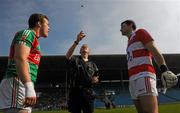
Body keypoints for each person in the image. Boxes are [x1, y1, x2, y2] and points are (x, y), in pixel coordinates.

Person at [120, 20, 178, 113]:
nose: (120, 29)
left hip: (143, 76)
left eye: (123, 26)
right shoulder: (128, 42)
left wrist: (164, 69)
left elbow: (153, 48)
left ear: (131, 25)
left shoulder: (140, 32)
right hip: (132, 80)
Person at [0, 13, 50, 113]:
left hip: (21, 81)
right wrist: (29, 86)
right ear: (39, 24)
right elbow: (20, 58)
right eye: (47, 24)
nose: (49, 28)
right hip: (17, 81)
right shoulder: (27, 33)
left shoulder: (34, 39)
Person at [66, 31, 99, 113]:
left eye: (86, 47)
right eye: (82, 47)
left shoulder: (93, 64)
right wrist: (77, 42)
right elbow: (67, 56)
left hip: (88, 93)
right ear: (80, 51)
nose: (84, 48)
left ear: (89, 51)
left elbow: (97, 77)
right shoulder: (75, 60)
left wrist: (95, 80)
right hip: (75, 93)